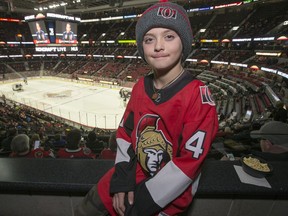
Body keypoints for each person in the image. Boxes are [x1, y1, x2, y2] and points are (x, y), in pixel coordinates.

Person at [74, 1, 218, 216]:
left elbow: (188, 163)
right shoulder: (140, 86)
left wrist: (144, 201)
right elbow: (125, 134)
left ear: (184, 43)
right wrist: (122, 180)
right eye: (149, 39)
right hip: (124, 180)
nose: (158, 46)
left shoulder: (199, 97)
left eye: (169, 36)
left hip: (164, 200)